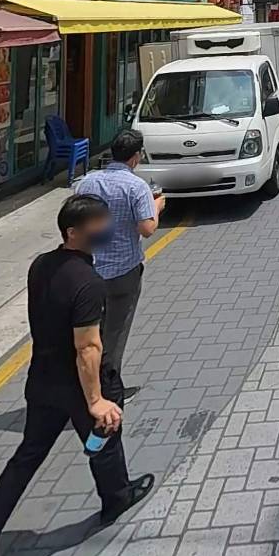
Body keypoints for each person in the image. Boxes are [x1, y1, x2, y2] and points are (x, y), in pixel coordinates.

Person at [0, 196, 154, 556]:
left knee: (24, 460)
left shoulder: (41, 265)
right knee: (104, 436)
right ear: (73, 232)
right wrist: (96, 400)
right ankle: (115, 497)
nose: (106, 229)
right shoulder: (88, 283)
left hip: (41, 382)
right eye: (98, 225)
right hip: (80, 385)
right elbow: (88, 348)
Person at [74, 130, 164, 395]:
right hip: (123, 273)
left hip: (89, 270)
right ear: (135, 158)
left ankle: (84, 382)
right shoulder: (137, 187)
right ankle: (109, 387)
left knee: (90, 331)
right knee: (114, 333)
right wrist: (157, 207)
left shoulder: (86, 183)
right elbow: (147, 229)